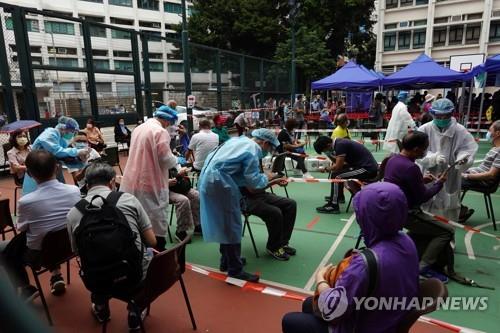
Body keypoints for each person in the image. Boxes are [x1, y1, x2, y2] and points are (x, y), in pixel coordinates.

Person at [282, 182, 419, 333]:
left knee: (290, 320)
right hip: (389, 317)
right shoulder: (407, 241)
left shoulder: (365, 264)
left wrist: (321, 280)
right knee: (309, 304)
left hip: (363, 326)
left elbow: (334, 311)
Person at [66, 163, 157, 328]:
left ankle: (101, 307)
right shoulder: (128, 199)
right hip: (133, 272)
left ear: (86, 185)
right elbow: (151, 241)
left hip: (98, 277)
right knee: (148, 252)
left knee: (92, 263)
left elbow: (76, 251)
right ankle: (134, 311)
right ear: (112, 182)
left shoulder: (73, 213)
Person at [199, 129, 287, 282]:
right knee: (232, 226)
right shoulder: (252, 149)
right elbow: (253, 182)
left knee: (224, 225)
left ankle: (226, 261)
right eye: (270, 148)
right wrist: (268, 177)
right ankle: (235, 269)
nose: (268, 151)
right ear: (265, 143)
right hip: (221, 185)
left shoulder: (237, 140)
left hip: (210, 181)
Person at [0, 150, 81, 300]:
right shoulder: (74, 191)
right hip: (71, 246)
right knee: (48, 232)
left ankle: (26, 288)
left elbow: (22, 228)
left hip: (41, 255)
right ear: (57, 168)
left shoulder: (27, 201)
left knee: (7, 253)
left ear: (29, 174)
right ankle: (55, 274)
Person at [384, 131, 453, 283]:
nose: (425, 152)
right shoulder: (411, 167)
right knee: (447, 232)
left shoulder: (393, 160)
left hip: (393, 210)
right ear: (415, 149)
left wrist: (421, 181)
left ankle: (407, 255)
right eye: (425, 148)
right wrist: (439, 183)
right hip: (408, 213)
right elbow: (422, 197)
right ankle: (423, 268)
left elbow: (402, 184)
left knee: (428, 231)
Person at [120, 105, 178, 250]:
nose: (169, 126)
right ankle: (157, 255)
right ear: (167, 121)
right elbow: (165, 158)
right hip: (150, 183)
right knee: (154, 223)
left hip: (132, 181)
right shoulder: (160, 131)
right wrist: (177, 161)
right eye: (170, 123)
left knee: (136, 221)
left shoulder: (139, 129)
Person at [418, 98, 478, 221]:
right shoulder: (424, 130)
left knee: (449, 212)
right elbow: (417, 153)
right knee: (426, 209)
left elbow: (468, 149)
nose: (441, 119)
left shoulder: (460, 131)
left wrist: (463, 158)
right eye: (438, 116)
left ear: (451, 114)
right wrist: (433, 158)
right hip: (428, 174)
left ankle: (447, 238)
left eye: (445, 116)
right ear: (433, 114)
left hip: (451, 175)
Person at [22, 116, 88, 194]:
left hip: (52, 170)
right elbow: (57, 151)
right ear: (64, 128)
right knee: (37, 195)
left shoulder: (61, 139)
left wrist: (80, 160)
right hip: (38, 171)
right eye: (72, 131)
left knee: (58, 195)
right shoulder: (50, 133)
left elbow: (64, 158)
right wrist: (77, 152)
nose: (73, 134)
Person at [314, 136, 378, 214]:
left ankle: (333, 206)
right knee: (336, 174)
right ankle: (339, 197)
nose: (326, 152)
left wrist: (326, 169)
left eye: (325, 150)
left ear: (328, 145)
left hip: (367, 169)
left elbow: (338, 166)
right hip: (359, 166)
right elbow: (342, 164)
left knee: (337, 176)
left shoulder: (340, 145)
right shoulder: (338, 143)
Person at [461, 120, 500, 222]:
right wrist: (467, 170)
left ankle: (460, 211)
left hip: (485, 182)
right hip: (476, 177)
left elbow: (490, 175)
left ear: (497, 133)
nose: (488, 132)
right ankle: (458, 209)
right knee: (452, 176)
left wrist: (466, 176)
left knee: (452, 181)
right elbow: (483, 168)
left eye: (490, 129)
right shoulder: (494, 149)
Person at [169, 165, 201, 238]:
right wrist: (166, 182)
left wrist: (181, 174)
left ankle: (197, 224)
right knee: (183, 200)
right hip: (163, 190)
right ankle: (181, 230)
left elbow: (176, 172)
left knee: (196, 195)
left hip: (177, 187)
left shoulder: (171, 160)